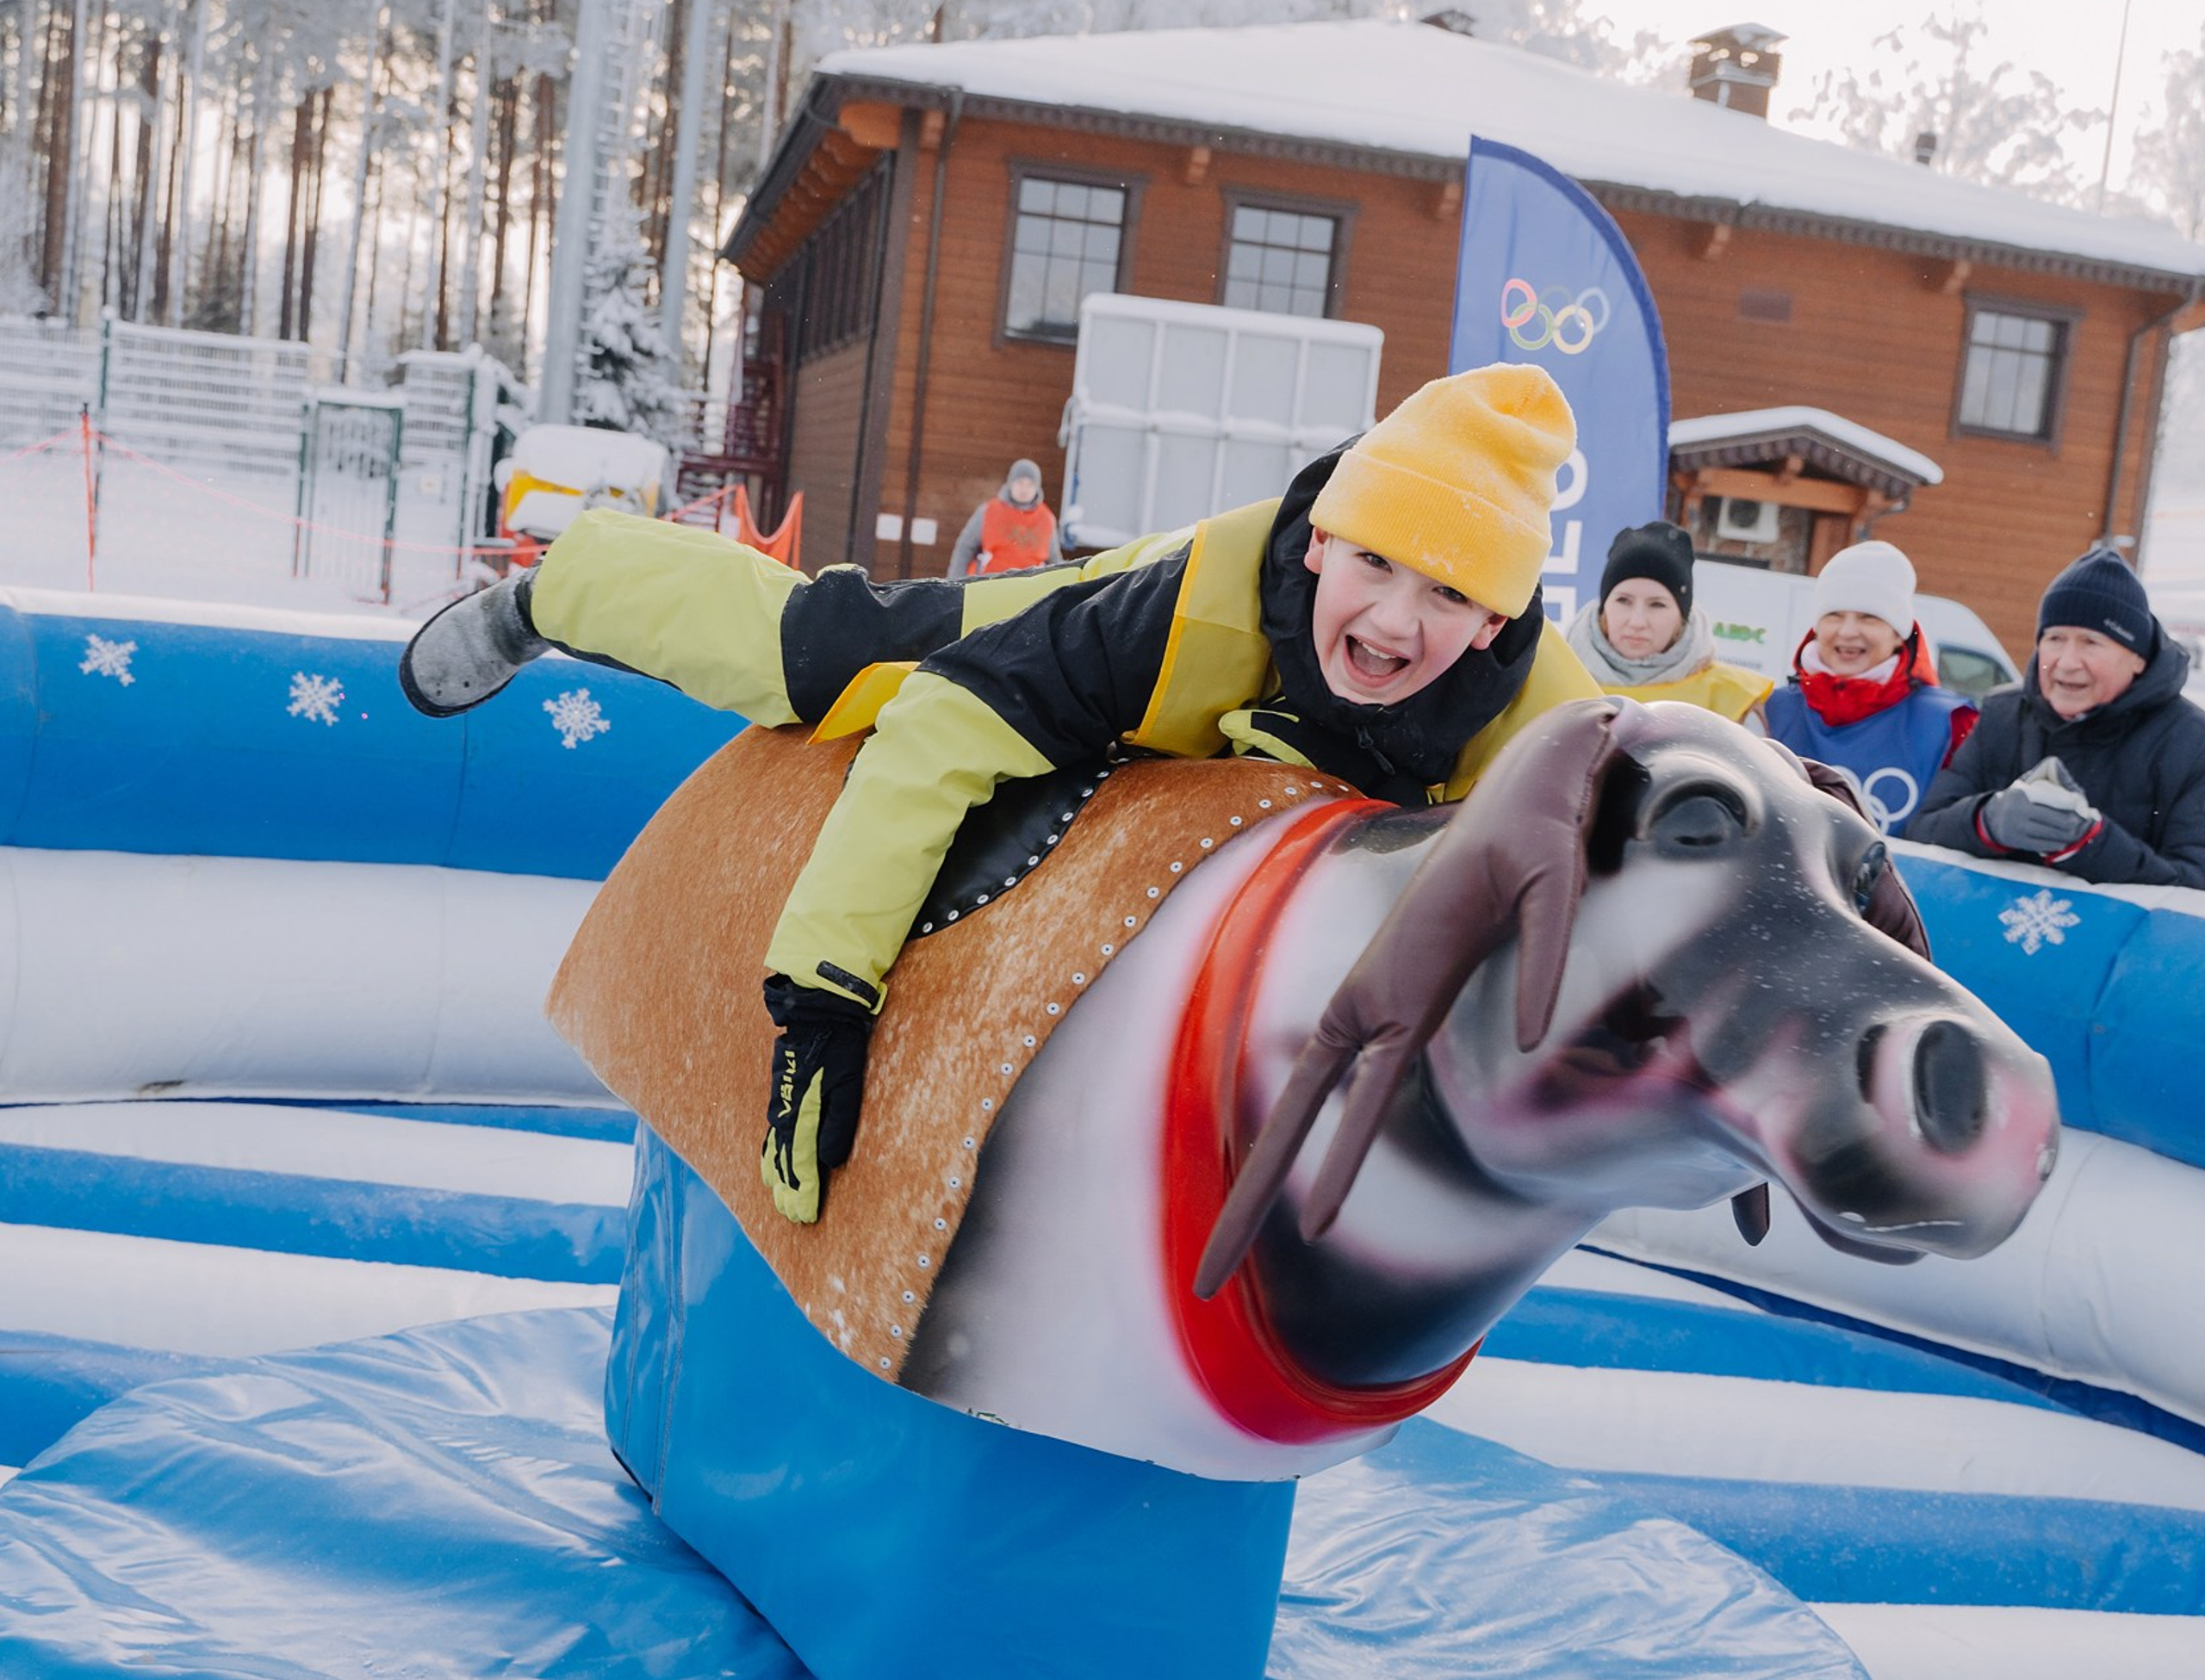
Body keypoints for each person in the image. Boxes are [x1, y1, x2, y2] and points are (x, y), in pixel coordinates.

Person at [400, 363, 1600, 1226]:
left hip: (1237, 790)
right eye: (1377, 563)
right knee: (826, 661)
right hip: (1103, 659)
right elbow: (935, 734)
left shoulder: (1540, 720)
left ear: (1499, 619)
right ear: (1323, 544)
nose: (1394, 621)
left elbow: (1664, 849)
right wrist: (820, 1007)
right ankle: (568, 584)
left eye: (1447, 597)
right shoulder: (1187, 611)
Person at [1910, 548, 2205, 888]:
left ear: (2137, 659)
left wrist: (2091, 842)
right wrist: (1987, 821)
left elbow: (2193, 886)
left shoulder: (2190, 742)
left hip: (2119, 940)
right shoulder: (2002, 715)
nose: (2066, 662)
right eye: (2055, 639)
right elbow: (1922, 829)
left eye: (2091, 642)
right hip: (1989, 932)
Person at [1761, 540, 1976, 834]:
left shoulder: (1949, 723)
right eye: (1834, 615)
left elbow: (1958, 829)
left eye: (1869, 617)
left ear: (1899, 634)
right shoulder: (1771, 709)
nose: (1848, 632)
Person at [1565, 518, 1772, 724]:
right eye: (1623, 600)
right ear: (1604, 607)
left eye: (1657, 605)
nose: (1637, 622)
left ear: (1682, 617)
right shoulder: (1556, 677)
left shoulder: (1735, 700)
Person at [948, 458, 1060, 577]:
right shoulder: (988, 511)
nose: (1024, 489)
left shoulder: (1047, 519)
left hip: (1031, 589)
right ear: (1010, 483)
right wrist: (953, 583)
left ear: (1037, 488)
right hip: (989, 585)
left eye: (1030, 484)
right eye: (1020, 483)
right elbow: (964, 548)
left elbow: (1055, 561)